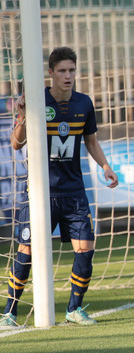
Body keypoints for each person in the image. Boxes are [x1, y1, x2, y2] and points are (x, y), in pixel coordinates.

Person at [0, 47, 119, 327]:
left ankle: (74, 309)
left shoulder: (84, 103)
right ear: (51, 73)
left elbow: (90, 141)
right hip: (41, 192)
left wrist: (106, 166)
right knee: (26, 251)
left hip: (74, 192)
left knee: (86, 248)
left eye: (72, 70)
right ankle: (9, 312)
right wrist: (23, 116)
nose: (68, 76)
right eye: (62, 71)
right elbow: (17, 143)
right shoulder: (37, 100)